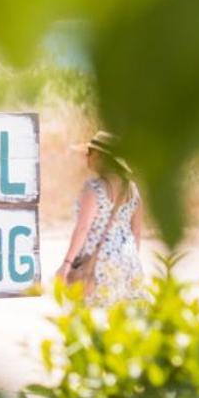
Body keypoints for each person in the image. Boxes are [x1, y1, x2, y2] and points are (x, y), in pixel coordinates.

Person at [58, 130, 145, 303]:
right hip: (128, 263)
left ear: (98, 155)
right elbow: (136, 231)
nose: (86, 157)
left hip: (98, 264)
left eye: (89, 153)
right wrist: (127, 260)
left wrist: (66, 264)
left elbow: (83, 228)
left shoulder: (95, 188)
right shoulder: (132, 189)